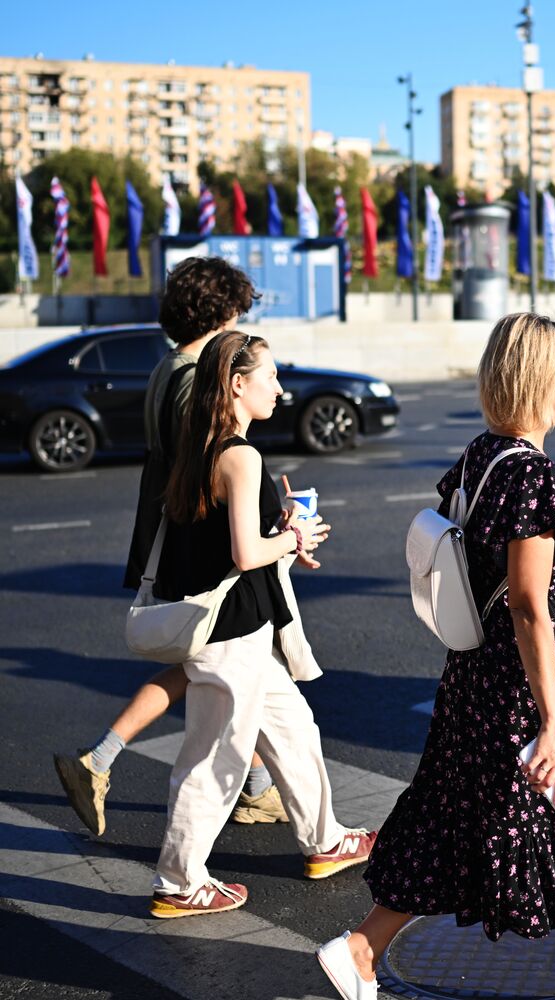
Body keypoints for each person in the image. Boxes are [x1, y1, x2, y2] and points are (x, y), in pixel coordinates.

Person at [315, 314, 555, 1000]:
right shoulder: (533, 476)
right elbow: (530, 603)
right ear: (545, 379)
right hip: (534, 675)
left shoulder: (480, 457)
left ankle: (362, 949)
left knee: (456, 809)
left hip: (476, 670)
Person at [53, 257, 290, 837]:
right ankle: (113, 766)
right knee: (227, 656)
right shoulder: (194, 376)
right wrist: (265, 522)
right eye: (237, 310)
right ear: (223, 310)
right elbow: (213, 458)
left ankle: (246, 785)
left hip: (170, 528)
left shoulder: (167, 366)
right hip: (197, 537)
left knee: (211, 660)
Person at [148, 330, 374, 917]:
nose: (280, 386)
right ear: (237, 384)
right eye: (269, 376)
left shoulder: (204, 447)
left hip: (243, 629)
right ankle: (178, 881)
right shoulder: (240, 455)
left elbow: (226, 540)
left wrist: (283, 526)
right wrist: (293, 536)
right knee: (216, 756)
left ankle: (325, 841)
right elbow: (248, 553)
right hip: (230, 634)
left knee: (296, 730)